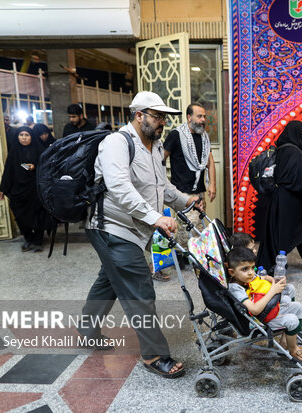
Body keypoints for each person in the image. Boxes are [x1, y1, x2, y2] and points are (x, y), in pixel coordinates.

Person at [78, 91, 197, 379]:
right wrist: (156, 218)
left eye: (164, 118)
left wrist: (186, 201)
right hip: (112, 228)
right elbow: (119, 188)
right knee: (139, 288)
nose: (162, 123)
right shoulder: (116, 143)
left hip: (134, 229)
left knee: (109, 280)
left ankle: (86, 328)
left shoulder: (155, 147)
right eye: (157, 117)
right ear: (138, 115)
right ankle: (154, 354)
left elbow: (161, 186)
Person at [256, 120, 302, 272]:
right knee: (285, 232)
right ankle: (272, 265)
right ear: (296, 132)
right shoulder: (294, 152)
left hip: (287, 199)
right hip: (289, 200)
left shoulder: (284, 150)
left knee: (300, 227)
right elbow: (300, 180)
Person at [227, 247, 302, 364]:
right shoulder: (236, 289)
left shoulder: (246, 278)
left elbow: (263, 278)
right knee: (292, 320)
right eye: (245, 269)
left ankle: (284, 343)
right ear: (232, 272)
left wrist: (275, 281)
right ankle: (293, 349)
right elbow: (255, 310)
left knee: (297, 307)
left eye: (252, 267)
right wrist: (273, 291)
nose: (251, 272)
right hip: (256, 321)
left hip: (266, 312)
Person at [163, 103, 216, 266]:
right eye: (199, 116)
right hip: (182, 192)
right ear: (189, 117)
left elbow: (209, 161)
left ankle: (189, 255)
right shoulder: (176, 135)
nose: (203, 120)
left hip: (199, 191)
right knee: (188, 226)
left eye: (204, 117)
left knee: (197, 224)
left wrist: (212, 184)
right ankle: (184, 255)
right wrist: (162, 183)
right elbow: (160, 159)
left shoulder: (204, 137)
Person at [0, 126, 49, 252]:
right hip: (19, 190)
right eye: (21, 135)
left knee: (38, 215)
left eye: (27, 135)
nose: (24, 137)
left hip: (35, 189)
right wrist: (2, 188)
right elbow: (8, 171)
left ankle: (37, 241)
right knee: (20, 216)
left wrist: (35, 167)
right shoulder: (14, 151)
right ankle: (28, 239)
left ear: (31, 136)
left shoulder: (40, 150)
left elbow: (48, 167)